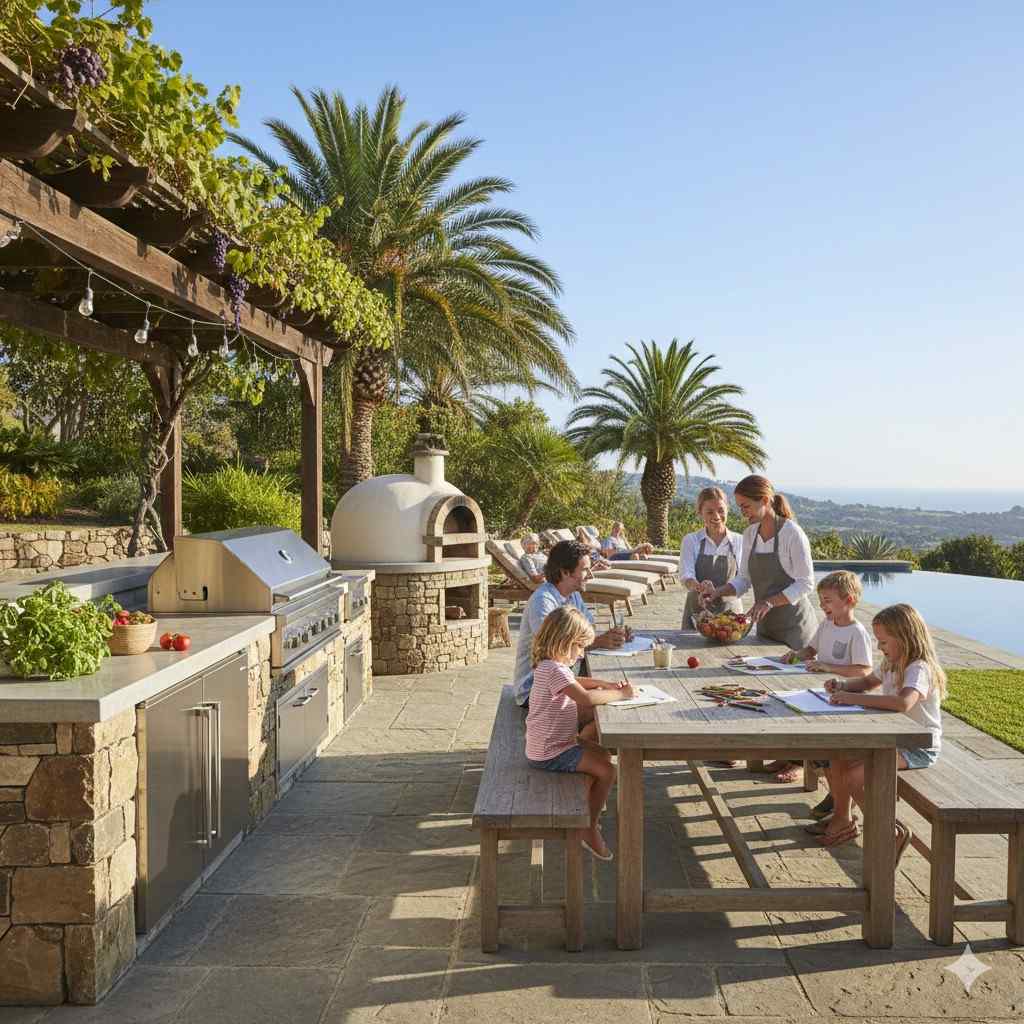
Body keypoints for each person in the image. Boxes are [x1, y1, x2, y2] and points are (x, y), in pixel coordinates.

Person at [704, 474, 817, 784]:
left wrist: (769, 601)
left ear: (765, 501)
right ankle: (775, 751)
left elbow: (806, 583)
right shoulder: (751, 534)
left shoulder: (792, 533)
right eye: (740, 507)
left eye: (746, 506)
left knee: (794, 693)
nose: (743, 513)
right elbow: (744, 580)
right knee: (766, 690)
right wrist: (719, 591)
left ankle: (799, 762)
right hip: (766, 624)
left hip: (794, 626)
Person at [816, 603, 944, 864]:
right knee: (838, 756)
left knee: (854, 777)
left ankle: (890, 831)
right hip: (893, 739)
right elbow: (867, 682)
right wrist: (842, 685)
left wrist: (852, 698)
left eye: (883, 642)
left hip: (918, 747)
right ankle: (843, 819)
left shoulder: (918, 668)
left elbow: (903, 703)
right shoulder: (891, 663)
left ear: (905, 638)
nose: (879, 647)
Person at [526, 606, 634, 859]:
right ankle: (588, 826)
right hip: (551, 752)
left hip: (549, 744)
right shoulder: (554, 669)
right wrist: (620, 694)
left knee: (602, 754)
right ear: (565, 642)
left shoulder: (550, 665)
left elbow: (574, 683)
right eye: (581, 647)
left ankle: (586, 808)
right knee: (608, 771)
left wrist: (603, 683)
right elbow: (585, 698)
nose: (583, 653)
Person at [790, 571, 874, 827]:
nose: (822, 605)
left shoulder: (857, 632)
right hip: (823, 696)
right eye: (821, 600)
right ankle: (837, 794)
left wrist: (828, 667)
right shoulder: (826, 625)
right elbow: (811, 649)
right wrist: (796, 655)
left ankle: (840, 801)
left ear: (848, 600)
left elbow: (864, 671)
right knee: (823, 753)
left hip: (847, 702)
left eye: (827, 600)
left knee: (833, 751)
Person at [512, 539, 627, 708]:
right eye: (585, 569)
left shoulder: (573, 595)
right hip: (534, 689)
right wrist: (599, 641)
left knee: (608, 691)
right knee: (602, 705)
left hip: (563, 676)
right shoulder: (542, 602)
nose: (591, 575)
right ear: (565, 572)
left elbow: (588, 629)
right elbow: (556, 649)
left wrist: (613, 636)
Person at [679, 486, 745, 630]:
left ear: (727, 509)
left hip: (731, 614)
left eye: (721, 510)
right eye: (709, 512)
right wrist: (699, 587)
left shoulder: (740, 541)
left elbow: (743, 579)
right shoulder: (691, 540)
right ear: (700, 513)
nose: (716, 516)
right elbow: (686, 575)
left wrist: (718, 591)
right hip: (697, 611)